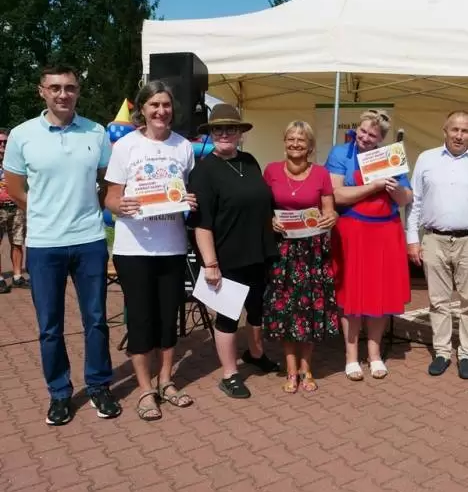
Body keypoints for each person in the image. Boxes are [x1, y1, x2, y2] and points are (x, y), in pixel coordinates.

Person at [2, 64, 120, 425]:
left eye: (69, 87)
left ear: (78, 91)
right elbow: (15, 188)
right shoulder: (22, 135)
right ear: (42, 91)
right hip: (44, 243)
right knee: (49, 325)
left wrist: (88, 209)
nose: (63, 94)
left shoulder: (96, 132)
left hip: (89, 240)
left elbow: (107, 182)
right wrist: (45, 211)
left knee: (96, 320)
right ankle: (59, 393)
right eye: (55, 88)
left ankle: (99, 385)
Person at [104, 81, 198, 420]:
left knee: (168, 319)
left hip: (171, 246)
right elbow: (110, 197)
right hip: (133, 249)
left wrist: (189, 200)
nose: (161, 111)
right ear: (142, 109)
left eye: (166, 105)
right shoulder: (125, 146)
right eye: (154, 105)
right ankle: (145, 389)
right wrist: (120, 205)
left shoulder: (183, 146)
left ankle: (166, 381)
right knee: (141, 319)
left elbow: (186, 191)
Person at [187, 104, 281, 400]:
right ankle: (229, 375)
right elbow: (202, 224)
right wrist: (210, 264)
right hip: (226, 257)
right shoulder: (204, 171)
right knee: (228, 317)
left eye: (231, 128)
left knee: (257, 310)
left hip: (258, 252)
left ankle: (255, 353)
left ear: (240, 133)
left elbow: (259, 202)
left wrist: (273, 220)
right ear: (211, 133)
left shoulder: (249, 161)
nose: (224, 133)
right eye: (218, 129)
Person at [406, 111, 468, 379]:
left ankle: (466, 354)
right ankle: (442, 352)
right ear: (444, 131)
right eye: (454, 129)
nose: (459, 135)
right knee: (438, 301)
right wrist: (412, 239)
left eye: (465, 130)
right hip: (434, 238)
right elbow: (415, 202)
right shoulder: (426, 159)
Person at [325, 109, 412, 381]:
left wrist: (394, 188)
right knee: (351, 294)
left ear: (381, 138)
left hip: (386, 231)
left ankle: (374, 355)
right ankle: (351, 357)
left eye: (372, 135)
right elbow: (337, 195)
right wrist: (374, 186)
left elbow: (406, 198)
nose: (364, 137)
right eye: (362, 131)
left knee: (379, 294)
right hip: (353, 231)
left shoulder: (391, 157)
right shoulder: (340, 153)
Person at [264, 121, 341, 393]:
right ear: (284, 142)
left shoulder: (321, 173)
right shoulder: (271, 171)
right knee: (285, 309)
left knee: (310, 308)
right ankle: (290, 368)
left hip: (312, 251)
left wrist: (331, 217)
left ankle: (307, 367)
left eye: (301, 139)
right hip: (282, 250)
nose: (295, 144)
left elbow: (329, 210)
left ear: (310, 146)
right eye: (291, 138)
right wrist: (269, 220)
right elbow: (263, 208)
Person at [0, 127, 29, 293]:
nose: (2, 145)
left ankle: (17, 276)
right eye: (0, 142)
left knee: (17, 242)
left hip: (16, 207)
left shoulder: (15, 160)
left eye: (5, 142)